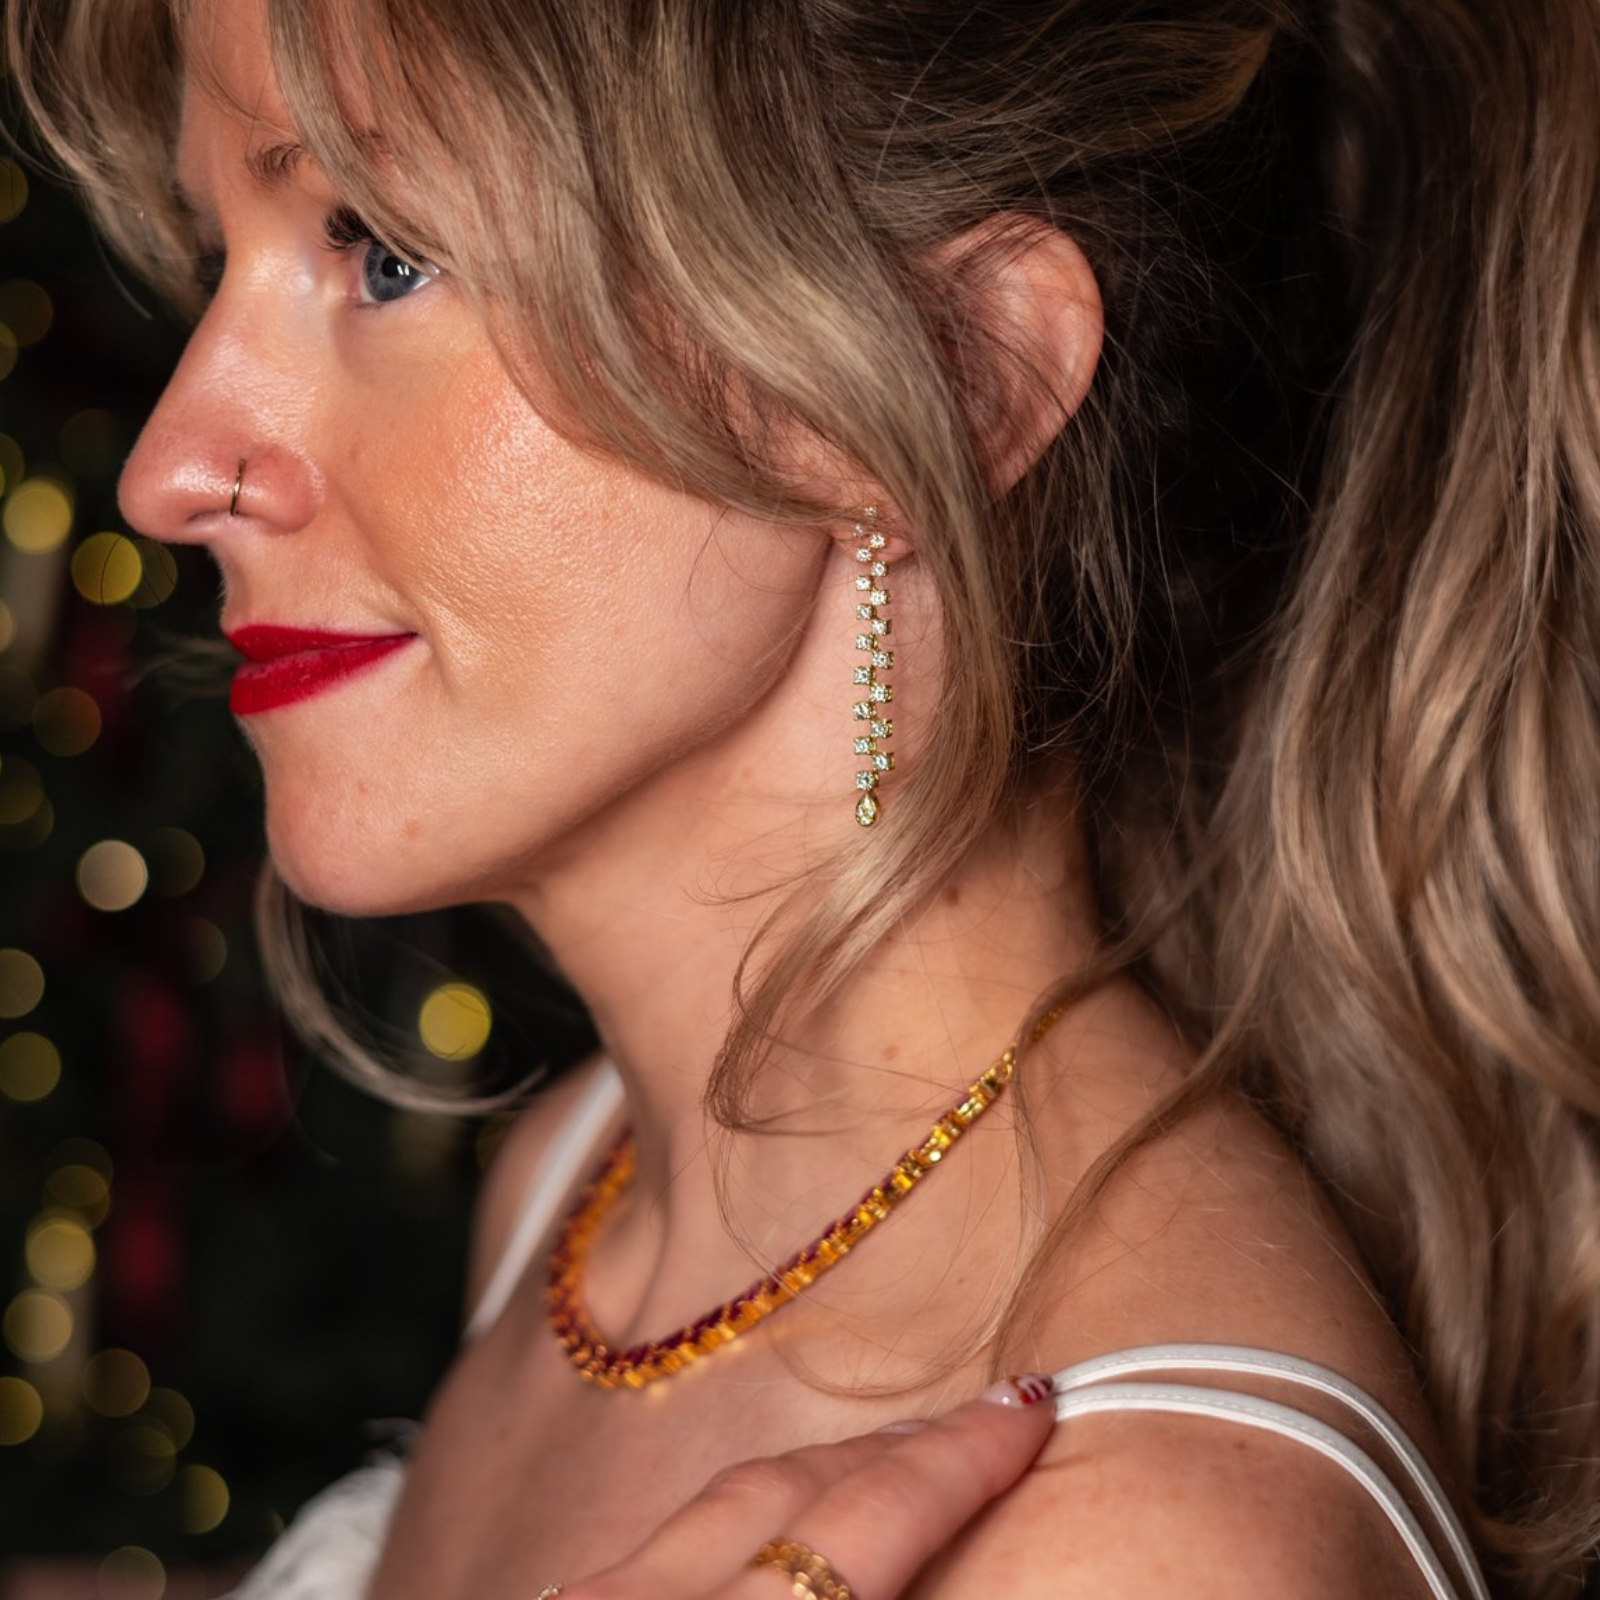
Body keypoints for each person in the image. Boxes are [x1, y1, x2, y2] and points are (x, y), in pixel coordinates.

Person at [9, 0, 1600, 1594]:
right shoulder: (582, 1194)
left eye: (387, 254)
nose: (172, 466)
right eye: (221, 255)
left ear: (956, 374)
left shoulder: (1138, 1540)